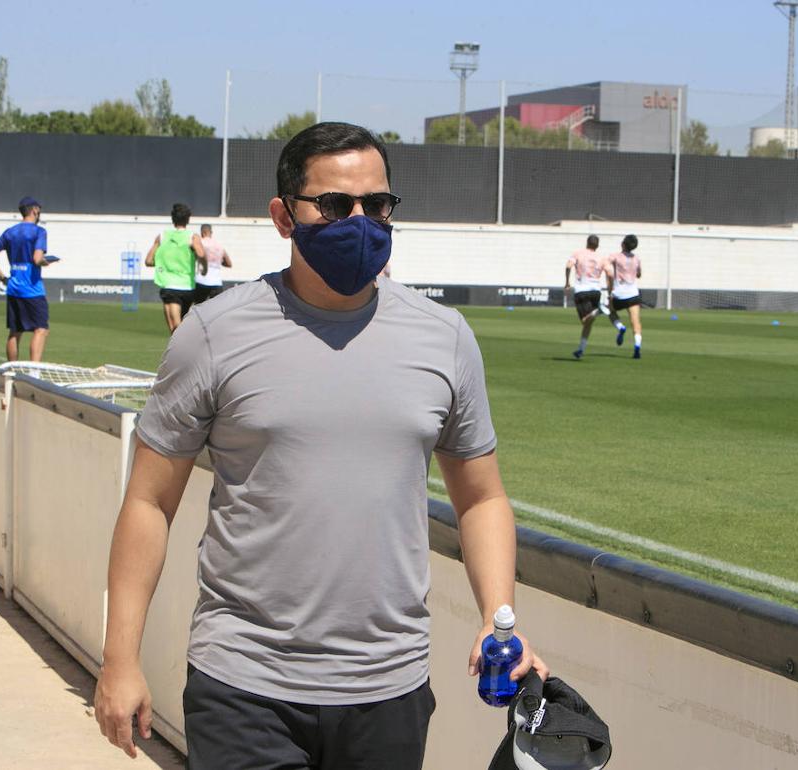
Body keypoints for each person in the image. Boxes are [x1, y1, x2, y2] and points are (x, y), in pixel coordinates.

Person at [93, 122, 548, 769]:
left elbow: (481, 499)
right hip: (243, 684)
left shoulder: (443, 339)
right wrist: (119, 659)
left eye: (378, 206)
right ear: (284, 216)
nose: (360, 222)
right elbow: (148, 501)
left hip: (389, 688)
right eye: (335, 206)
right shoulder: (213, 334)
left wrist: (497, 618)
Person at [0, 195, 54, 362]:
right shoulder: (39, 232)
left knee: (15, 331)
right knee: (41, 329)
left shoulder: (10, 232)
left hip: (13, 287)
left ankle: (12, 371)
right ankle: (34, 373)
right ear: (35, 210)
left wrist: (2, 278)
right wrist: (46, 261)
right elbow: (37, 259)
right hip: (32, 289)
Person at [145, 203, 206, 333]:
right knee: (181, 327)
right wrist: (204, 268)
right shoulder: (193, 237)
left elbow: (148, 261)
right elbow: (201, 254)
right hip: (188, 287)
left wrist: (164, 263)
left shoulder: (162, 236)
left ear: (172, 219)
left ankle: (185, 351)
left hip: (170, 287)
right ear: (188, 219)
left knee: (175, 330)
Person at [564, 235, 625, 358]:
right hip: (596, 291)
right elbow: (611, 274)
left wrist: (567, 282)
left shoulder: (578, 253)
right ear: (597, 246)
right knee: (589, 323)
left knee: (585, 320)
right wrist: (610, 289)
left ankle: (598, 311)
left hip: (582, 291)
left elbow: (568, 266)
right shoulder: (601, 258)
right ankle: (580, 350)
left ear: (587, 243)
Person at [608, 234, 644, 359]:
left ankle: (621, 327)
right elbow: (639, 274)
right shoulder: (637, 259)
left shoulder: (615, 257)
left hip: (619, 294)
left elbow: (607, 266)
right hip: (633, 294)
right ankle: (637, 346)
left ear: (623, 244)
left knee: (610, 311)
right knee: (635, 322)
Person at [192, 223, 232, 305]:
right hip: (216, 282)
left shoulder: (200, 243)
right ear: (211, 232)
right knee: (216, 310)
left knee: (198, 308)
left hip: (202, 280)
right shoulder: (219, 245)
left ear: (202, 232)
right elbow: (229, 264)